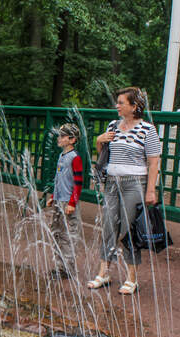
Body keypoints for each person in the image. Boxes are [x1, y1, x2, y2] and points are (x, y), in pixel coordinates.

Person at [87, 87, 161, 294]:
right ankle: (103, 273)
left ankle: (131, 278)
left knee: (128, 230)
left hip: (134, 183)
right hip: (112, 182)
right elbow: (105, 154)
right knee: (108, 226)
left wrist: (151, 191)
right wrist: (99, 141)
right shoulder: (113, 125)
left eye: (121, 102)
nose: (117, 106)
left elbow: (154, 163)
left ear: (134, 106)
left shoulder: (147, 129)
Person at [46, 124, 83, 279]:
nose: (59, 138)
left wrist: (72, 203)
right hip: (58, 201)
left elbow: (78, 183)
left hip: (68, 202)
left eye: (63, 136)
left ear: (72, 140)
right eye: (59, 135)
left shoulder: (75, 158)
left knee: (69, 235)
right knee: (57, 233)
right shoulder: (62, 156)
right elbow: (59, 180)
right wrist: (53, 197)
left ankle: (68, 268)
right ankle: (60, 266)